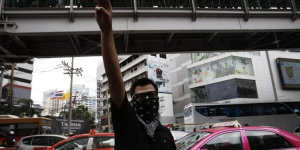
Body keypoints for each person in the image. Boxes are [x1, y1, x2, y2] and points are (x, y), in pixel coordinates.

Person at [95, 1, 176, 150]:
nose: (146, 100)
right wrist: (106, 31)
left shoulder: (166, 135)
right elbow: (114, 78)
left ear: (157, 99)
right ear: (132, 101)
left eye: (150, 96)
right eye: (140, 97)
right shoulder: (126, 124)